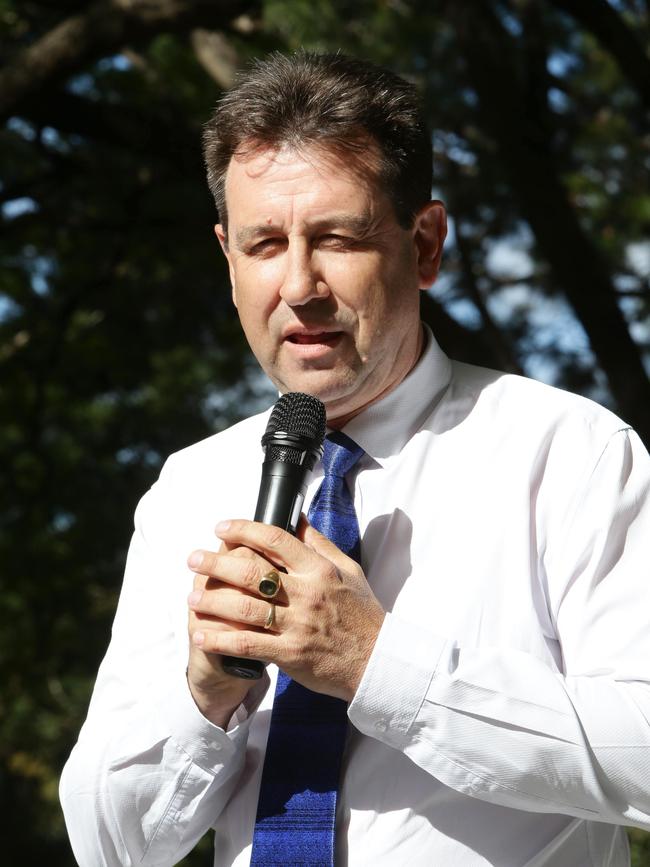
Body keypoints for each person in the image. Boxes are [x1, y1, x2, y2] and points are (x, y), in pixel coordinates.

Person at [60, 51, 650, 866]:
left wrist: (377, 662)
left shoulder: (573, 453)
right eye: (265, 244)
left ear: (427, 243)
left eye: (337, 237)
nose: (299, 285)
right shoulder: (186, 490)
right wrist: (204, 695)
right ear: (227, 258)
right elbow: (106, 842)